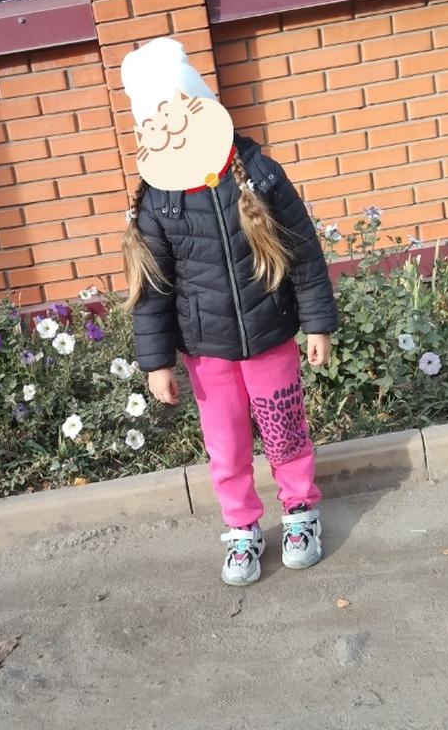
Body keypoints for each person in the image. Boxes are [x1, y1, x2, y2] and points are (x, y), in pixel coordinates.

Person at [119, 37, 339, 586]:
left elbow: (303, 251)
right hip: (207, 353)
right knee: (227, 448)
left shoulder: (260, 173)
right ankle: (242, 529)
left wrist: (317, 323)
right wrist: (157, 362)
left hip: (271, 335)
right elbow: (152, 288)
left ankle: (300, 513)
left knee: (286, 434)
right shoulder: (159, 200)